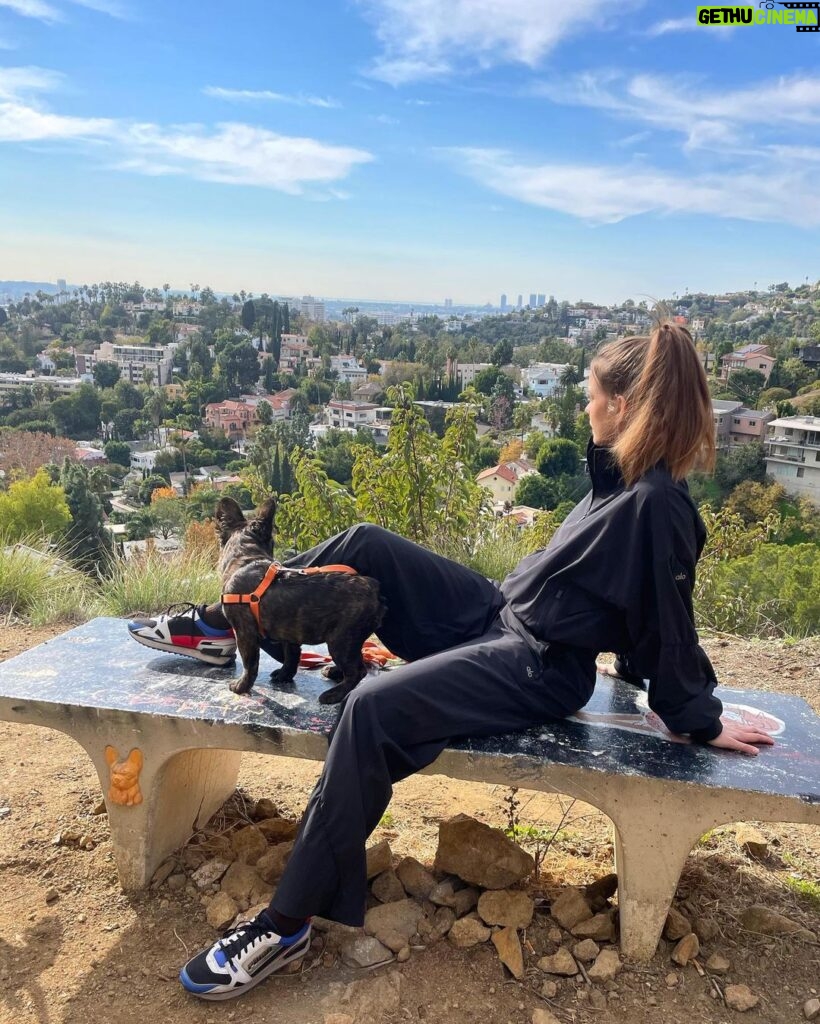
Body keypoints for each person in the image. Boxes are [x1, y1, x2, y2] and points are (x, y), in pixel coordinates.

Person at [128, 322, 774, 1002]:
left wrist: (694, 716)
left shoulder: (657, 503)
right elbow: (617, 594)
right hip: (494, 614)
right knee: (365, 543)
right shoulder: (617, 477)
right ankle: (231, 624)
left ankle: (285, 923)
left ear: (620, 404)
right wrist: (627, 663)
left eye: (590, 396)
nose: (584, 408)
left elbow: (667, 618)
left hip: (537, 664)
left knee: (371, 709)